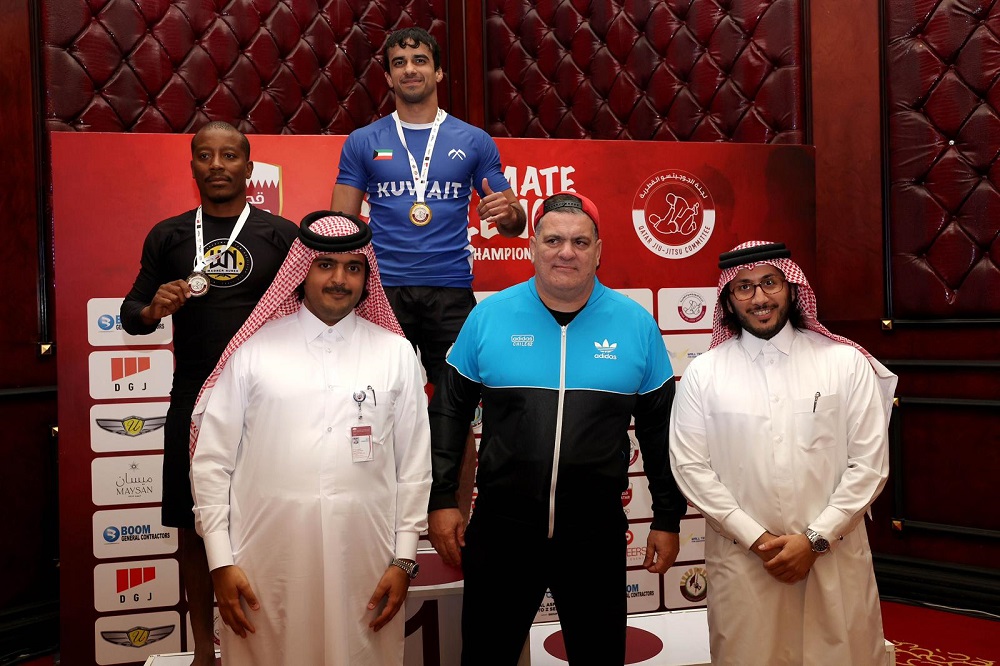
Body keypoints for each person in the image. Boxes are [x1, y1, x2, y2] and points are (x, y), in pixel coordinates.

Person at [428, 192, 686, 665]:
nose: (566, 252)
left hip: (593, 532)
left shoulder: (636, 325)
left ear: (598, 251)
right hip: (502, 530)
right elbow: (449, 412)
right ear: (532, 246)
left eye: (579, 241)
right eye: (553, 240)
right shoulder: (489, 316)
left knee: (598, 657)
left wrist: (668, 518)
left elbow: (659, 432)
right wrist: (443, 499)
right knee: (486, 655)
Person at [189, 212, 432, 665]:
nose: (340, 280)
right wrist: (220, 561)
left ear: (366, 277)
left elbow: (414, 465)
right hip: (265, 560)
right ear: (303, 270)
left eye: (354, 268)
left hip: (367, 559)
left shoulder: (395, 352)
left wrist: (403, 559)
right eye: (326, 265)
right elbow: (211, 463)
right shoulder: (255, 349)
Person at [669, 240, 897, 665]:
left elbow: (869, 466)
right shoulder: (704, 373)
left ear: (792, 288)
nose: (759, 298)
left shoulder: (844, 363)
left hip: (834, 556)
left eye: (770, 283)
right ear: (728, 301)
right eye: (744, 288)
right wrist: (758, 541)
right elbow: (690, 468)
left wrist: (815, 540)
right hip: (745, 562)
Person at [120, 121, 298, 666]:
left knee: (273, 518)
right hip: (192, 400)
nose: (216, 165)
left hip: (271, 403)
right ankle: (203, 648)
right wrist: (154, 309)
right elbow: (132, 315)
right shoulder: (169, 235)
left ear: (249, 167)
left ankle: (276, 644)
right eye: (204, 156)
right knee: (195, 527)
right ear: (192, 166)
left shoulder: (282, 235)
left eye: (228, 156)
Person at [331, 26, 526, 387]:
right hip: (383, 290)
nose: (410, 69)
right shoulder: (362, 142)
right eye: (399, 63)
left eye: (420, 60)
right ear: (389, 77)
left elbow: (514, 224)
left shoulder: (474, 140)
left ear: (437, 72)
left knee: (458, 407)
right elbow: (340, 226)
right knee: (376, 402)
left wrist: (509, 213)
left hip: (449, 290)